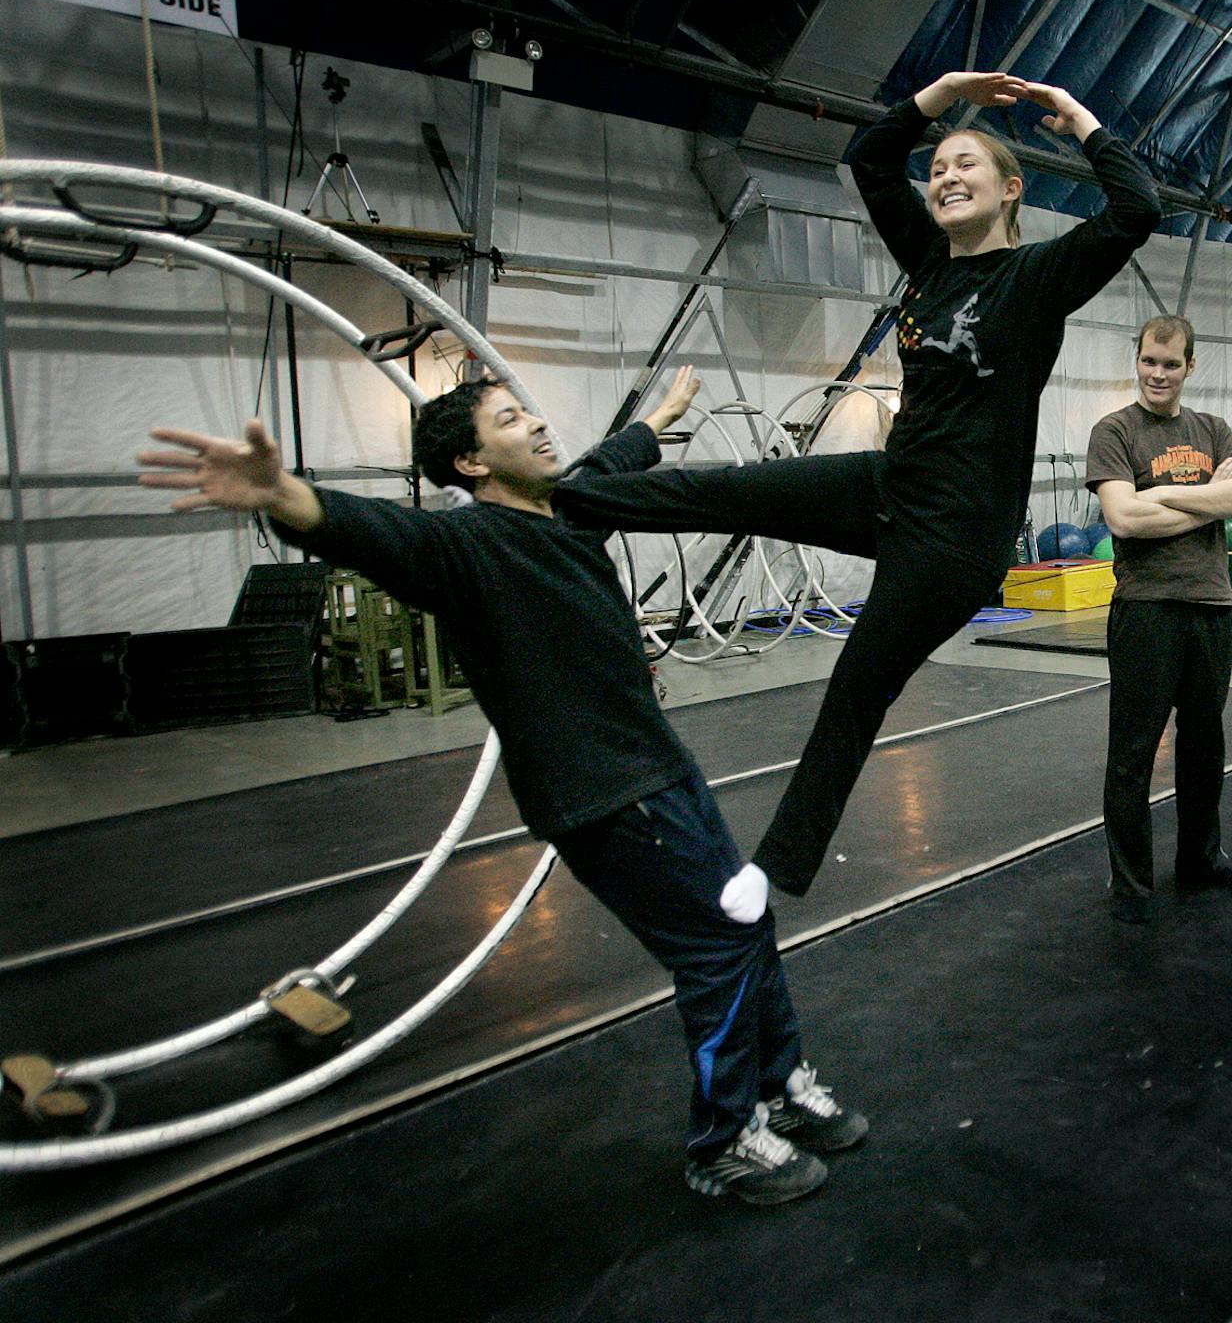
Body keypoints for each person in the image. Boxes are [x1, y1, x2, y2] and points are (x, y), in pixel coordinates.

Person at [137, 368, 866, 1205]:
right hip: (602, 794)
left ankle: (780, 1088)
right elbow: (368, 529)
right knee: (713, 950)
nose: (538, 426)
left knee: (746, 923)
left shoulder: (575, 504)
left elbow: (612, 456)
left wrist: (662, 416)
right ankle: (725, 1139)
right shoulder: (463, 549)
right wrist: (282, 495)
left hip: (660, 768)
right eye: (511, 421)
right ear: (473, 464)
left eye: (530, 412)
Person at [553, 70, 1161, 908]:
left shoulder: (1039, 278)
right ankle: (565, 502)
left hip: (955, 538)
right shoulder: (926, 263)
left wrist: (1082, 122)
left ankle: (773, 869)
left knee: (854, 691)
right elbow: (873, 162)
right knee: (733, 490)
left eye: (965, 167)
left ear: (1011, 188)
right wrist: (943, 91)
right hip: (889, 484)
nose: (944, 177)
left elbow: (1138, 210)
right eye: (939, 167)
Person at [1085, 314, 1232, 923]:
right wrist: (1203, 501)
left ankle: (1200, 861)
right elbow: (1124, 521)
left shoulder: (1214, 428)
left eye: (1171, 363)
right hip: (1146, 609)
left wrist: (1157, 495)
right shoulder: (1114, 431)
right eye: (1149, 362)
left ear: (1191, 366)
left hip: (1211, 606)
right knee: (1133, 751)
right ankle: (1132, 885)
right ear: (1137, 361)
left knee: (1205, 744)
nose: (1159, 374)